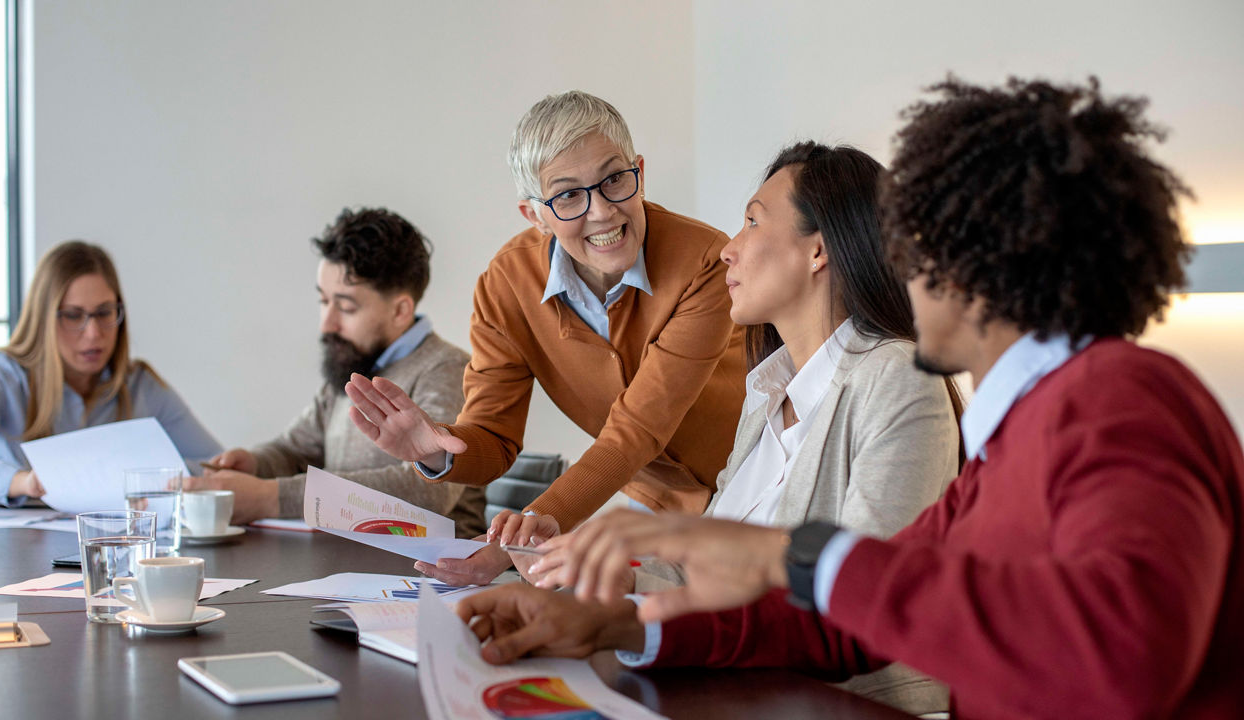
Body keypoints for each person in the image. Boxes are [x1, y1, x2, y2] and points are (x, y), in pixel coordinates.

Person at [456, 77, 1244, 718]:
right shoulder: (1013, 439)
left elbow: (1125, 661)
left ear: (977, 250)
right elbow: (846, 624)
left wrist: (787, 555)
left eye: (910, 234)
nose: (892, 258)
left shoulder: (1125, 397)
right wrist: (620, 623)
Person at [496, 141, 964, 713]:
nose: (728, 250)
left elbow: (858, 602)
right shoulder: (767, 392)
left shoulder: (895, 376)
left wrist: (629, 607)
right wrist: (597, 571)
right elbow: (702, 575)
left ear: (818, 250)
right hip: (734, 692)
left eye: (751, 222)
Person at [344, 90, 747, 584]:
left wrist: (536, 522)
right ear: (534, 214)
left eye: (615, 179)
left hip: (760, 485)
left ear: (639, 171)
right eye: (568, 195)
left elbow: (642, 425)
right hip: (658, 502)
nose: (601, 212)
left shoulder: (705, 260)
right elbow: (494, 437)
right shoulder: (505, 285)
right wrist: (436, 450)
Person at [183, 209, 485, 537]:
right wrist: (255, 465)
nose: (327, 324)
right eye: (324, 301)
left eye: (346, 307)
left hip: (429, 577)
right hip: (344, 568)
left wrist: (271, 498)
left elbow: (427, 492)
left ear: (400, 311)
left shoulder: (447, 370)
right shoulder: (355, 363)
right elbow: (295, 450)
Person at [0, 240, 222, 505]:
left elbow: (215, 466)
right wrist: (22, 481)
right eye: (74, 316)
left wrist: (146, 476)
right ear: (42, 320)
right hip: (18, 540)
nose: (94, 333)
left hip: (118, 539)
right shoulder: (0, 374)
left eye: (104, 312)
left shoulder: (141, 385)